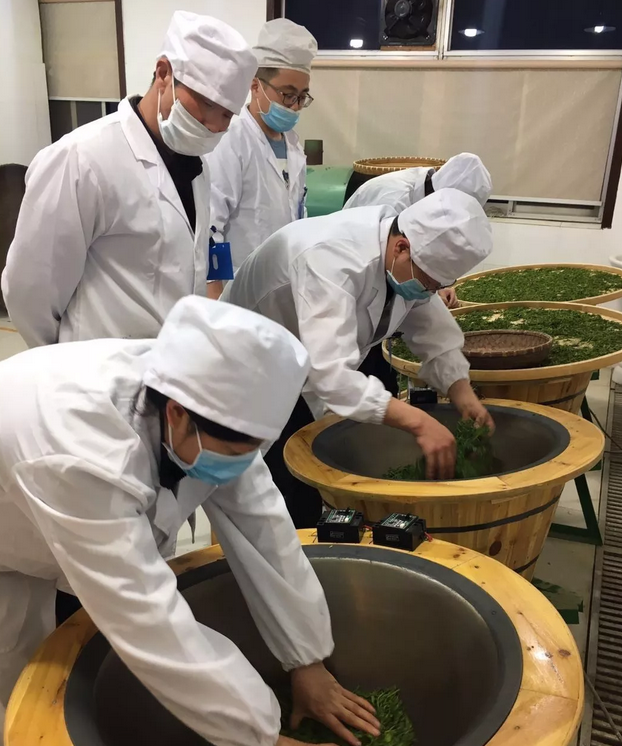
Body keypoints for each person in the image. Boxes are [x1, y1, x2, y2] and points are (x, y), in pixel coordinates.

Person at [0, 296, 381, 746]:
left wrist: (307, 659)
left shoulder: (210, 407)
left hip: (44, 504)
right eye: (235, 452)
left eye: (253, 450)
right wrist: (262, 735)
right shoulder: (84, 457)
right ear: (177, 414)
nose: (241, 465)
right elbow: (147, 619)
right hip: (14, 512)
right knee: (19, 676)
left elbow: (264, 530)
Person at [222, 189, 494, 528]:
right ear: (401, 247)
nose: (428, 292)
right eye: (427, 282)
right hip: (249, 369)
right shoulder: (331, 257)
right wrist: (420, 422)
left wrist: (462, 392)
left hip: (300, 363)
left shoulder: (405, 265)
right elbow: (332, 377)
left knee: (307, 483)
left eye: (437, 285)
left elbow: (433, 331)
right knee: (273, 495)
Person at [2, 12, 257, 348]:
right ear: (164, 73)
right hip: (94, 371)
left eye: (227, 114)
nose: (215, 125)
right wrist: (67, 362)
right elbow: (29, 292)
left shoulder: (196, 169)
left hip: (169, 365)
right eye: (207, 104)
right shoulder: (82, 159)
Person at [206, 18, 318, 299]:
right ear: (255, 86)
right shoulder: (231, 141)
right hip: (237, 292)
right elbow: (211, 230)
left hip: (281, 289)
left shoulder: (293, 146)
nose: (294, 106)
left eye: (302, 97)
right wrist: (217, 303)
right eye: (287, 95)